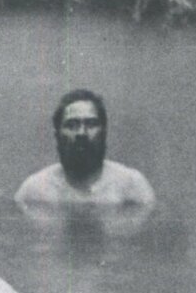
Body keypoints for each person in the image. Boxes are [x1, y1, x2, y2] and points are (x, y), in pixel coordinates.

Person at [14, 90, 156, 210]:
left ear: (104, 132)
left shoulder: (132, 187)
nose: (81, 133)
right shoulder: (34, 191)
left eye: (91, 124)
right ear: (57, 134)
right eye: (72, 125)